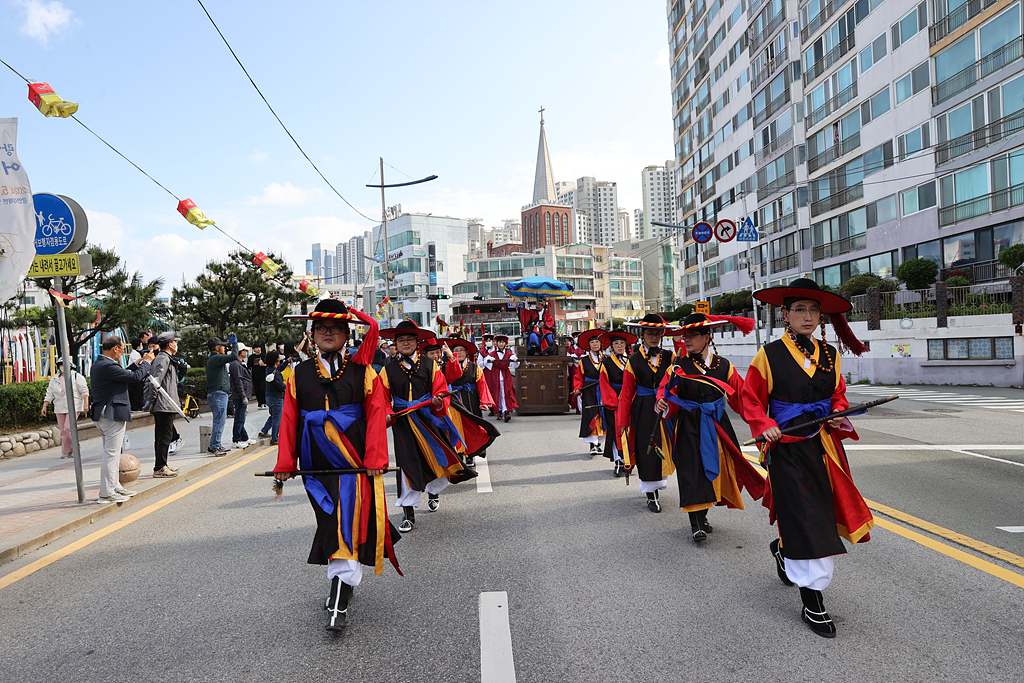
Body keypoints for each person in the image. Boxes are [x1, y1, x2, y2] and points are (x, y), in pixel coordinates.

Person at [741, 278, 872, 638]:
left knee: (821, 513)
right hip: (786, 448)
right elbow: (751, 399)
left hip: (824, 448)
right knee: (805, 516)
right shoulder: (768, 355)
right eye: (800, 309)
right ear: (785, 315)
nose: (808, 316)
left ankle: (784, 550)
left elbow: (838, 395)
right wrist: (765, 424)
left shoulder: (831, 355)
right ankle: (812, 600)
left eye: (814, 310)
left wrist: (840, 411)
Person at [273, 299, 401, 631]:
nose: (327, 334)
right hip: (315, 463)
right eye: (321, 329)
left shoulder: (364, 371)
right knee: (330, 520)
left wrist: (375, 459)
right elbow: (289, 419)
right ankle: (343, 578)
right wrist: (285, 462)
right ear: (312, 334)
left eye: (335, 328)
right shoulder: (298, 374)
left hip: (354, 461)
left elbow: (376, 415)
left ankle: (339, 599)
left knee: (346, 519)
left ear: (346, 334)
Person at [659, 314, 764, 542]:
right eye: (685, 336)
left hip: (717, 425)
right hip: (689, 425)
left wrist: (762, 421)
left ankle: (703, 514)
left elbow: (742, 397)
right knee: (692, 470)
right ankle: (695, 523)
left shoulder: (724, 365)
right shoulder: (677, 367)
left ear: (707, 337)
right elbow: (665, 391)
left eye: (692, 335)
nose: (687, 340)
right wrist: (662, 402)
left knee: (716, 470)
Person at [378, 319, 476, 532]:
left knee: (432, 458)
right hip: (403, 421)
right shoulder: (388, 369)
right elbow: (382, 397)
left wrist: (439, 401)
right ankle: (408, 513)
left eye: (409, 339)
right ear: (395, 343)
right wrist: (386, 413)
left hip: (428, 418)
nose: (405, 343)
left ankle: (433, 493)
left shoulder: (430, 365)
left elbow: (440, 390)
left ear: (417, 342)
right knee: (406, 464)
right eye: (401, 340)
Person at [615, 314, 677, 513]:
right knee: (647, 449)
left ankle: (660, 484)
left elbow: (677, 382)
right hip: (643, 410)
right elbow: (626, 393)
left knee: (667, 447)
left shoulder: (670, 357)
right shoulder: (633, 360)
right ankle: (651, 494)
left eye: (657, 334)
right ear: (642, 335)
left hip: (666, 409)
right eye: (650, 334)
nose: (654, 337)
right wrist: (623, 421)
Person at [90, 337, 153, 503]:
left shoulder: (101, 364)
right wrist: (147, 362)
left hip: (104, 414)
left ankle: (115, 487)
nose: (122, 354)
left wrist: (136, 365)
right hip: (111, 414)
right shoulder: (108, 365)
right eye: (122, 350)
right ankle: (106, 493)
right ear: (115, 348)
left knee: (113, 453)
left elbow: (124, 374)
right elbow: (135, 378)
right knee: (111, 454)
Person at [441, 337, 498, 470]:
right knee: (455, 428)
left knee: (472, 427)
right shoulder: (446, 366)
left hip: (471, 401)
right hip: (454, 401)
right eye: (456, 350)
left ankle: (470, 454)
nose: (459, 352)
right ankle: (459, 454)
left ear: (467, 352)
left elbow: (482, 384)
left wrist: (484, 401)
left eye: (462, 350)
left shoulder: (474, 367)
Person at [597, 328, 637, 477]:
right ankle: (619, 462)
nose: (619, 346)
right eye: (616, 343)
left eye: (622, 343)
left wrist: (633, 398)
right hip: (614, 403)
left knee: (632, 431)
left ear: (626, 345)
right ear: (611, 346)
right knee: (616, 433)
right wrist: (615, 400)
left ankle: (631, 460)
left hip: (631, 400)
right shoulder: (606, 363)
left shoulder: (632, 360)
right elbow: (604, 384)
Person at [146, 331, 182, 478]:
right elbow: (155, 382)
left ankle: (163, 464)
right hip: (163, 405)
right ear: (169, 344)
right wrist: (152, 402)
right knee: (164, 437)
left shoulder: (167, 358)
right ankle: (160, 467)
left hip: (167, 404)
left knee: (164, 436)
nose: (176, 344)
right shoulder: (163, 359)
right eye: (175, 342)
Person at [41, 358, 89, 459]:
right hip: (59, 407)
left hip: (74, 406)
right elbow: (49, 393)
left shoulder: (77, 377)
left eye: (64, 364)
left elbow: (84, 391)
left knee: (68, 427)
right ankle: (66, 451)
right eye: (60, 364)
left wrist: (85, 404)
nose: (62, 366)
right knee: (63, 430)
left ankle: (76, 447)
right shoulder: (54, 379)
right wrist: (45, 406)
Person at [571, 329, 607, 456]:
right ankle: (593, 445)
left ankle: (599, 444)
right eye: (592, 342)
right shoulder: (584, 360)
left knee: (603, 415)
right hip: (589, 391)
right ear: (588, 345)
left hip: (603, 391)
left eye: (597, 342)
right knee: (591, 414)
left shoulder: (606, 359)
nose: (595, 344)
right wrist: (577, 388)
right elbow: (578, 377)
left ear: (601, 344)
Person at [205, 333, 238, 456]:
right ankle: (214, 446)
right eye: (223, 346)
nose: (224, 348)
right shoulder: (216, 358)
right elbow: (234, 356)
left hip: (217, 394)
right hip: (218, 394)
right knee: (219, 421)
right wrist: (234, 344)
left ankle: (216, 444)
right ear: (217, 348)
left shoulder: (215, 359)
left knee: (219, 420)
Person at [480, 334, 518, 422]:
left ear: (505, 343)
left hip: (506, 375)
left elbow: (514, 364)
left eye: (503, 342)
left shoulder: (509, 353)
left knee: (507, 392)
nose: (501, 344)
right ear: (496, 343)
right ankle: (500, 410)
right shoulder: (492, 354)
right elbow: (486, 361)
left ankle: (506, 411)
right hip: (496, 375)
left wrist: (514, 359)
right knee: (498, 393)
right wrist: (489, 360)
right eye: (499, 342)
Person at [230, 344, 256, 447]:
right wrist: (243, 396)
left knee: (241, 417)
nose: (246, 352)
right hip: (240, 395)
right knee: (239, 418)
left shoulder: (239, 363)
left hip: (242, 394)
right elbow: (238, 381)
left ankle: (244, 437)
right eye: (245, 350)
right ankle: (236, 440)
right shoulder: (236, 364)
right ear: (241, 352)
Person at [258, 351, 286, 444]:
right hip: (276, 397)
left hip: (269, 396)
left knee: (273, 416)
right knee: (277, 418)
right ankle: (274, 438)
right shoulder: (275, 372)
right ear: (276, 361)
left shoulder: (269, 369)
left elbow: (279, 368)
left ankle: (263, 431)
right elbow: (280, 385)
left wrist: (288, 360)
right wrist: (289, 387)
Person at [248, 343, 267, 409]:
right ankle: (260, 403)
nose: (258, 349)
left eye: (259, 347)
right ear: (253, 349)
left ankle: (264, 402)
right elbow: (249, 366)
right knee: (257, 390)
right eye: (257, 348)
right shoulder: (251, 357)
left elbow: (268, 365)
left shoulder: (264, 356)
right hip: (255, 376)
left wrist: (263, 365)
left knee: (262, 389)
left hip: (263, 375)